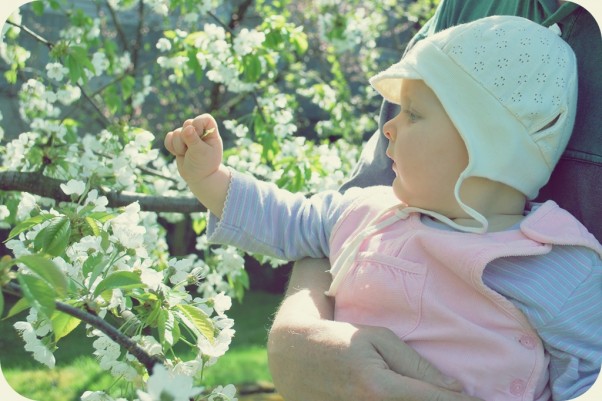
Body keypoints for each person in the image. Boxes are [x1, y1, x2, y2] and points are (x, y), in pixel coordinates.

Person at [165, 14, 602, 401]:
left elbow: (586, 373)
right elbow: (288, 219)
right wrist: (209, 179)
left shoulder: (553, 261)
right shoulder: (366, 212)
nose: (388, 126)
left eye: (413, 114)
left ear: (487, 146)